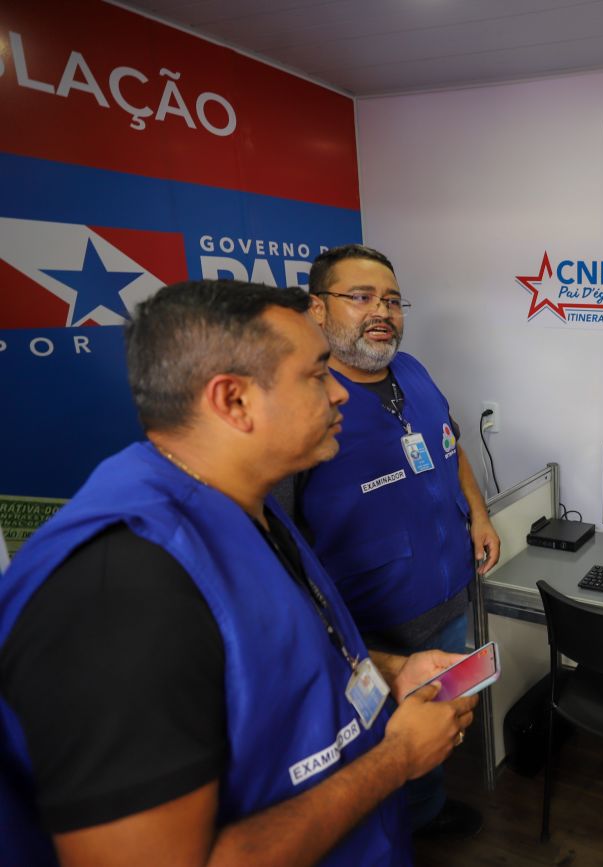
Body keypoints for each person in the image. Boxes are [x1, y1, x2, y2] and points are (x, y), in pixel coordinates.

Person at [0, 281, 477, 866]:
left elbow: (270, 662)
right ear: (233, 401)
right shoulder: (117, 591)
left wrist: (391, 672)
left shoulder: (244, 504)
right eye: (317, 374)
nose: (340, 393)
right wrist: (396, 760)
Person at [291, 244, 500, 837]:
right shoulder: (306, 400)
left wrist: (479, 514)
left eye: (391, 300)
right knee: (374, 744)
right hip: (369, 630)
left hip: (447, 600)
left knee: (434, 723)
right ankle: (388, 837)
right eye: (360, 297)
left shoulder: (412, 372)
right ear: (317, 308)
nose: (381, 311)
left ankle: (427, 814)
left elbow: (450, 445)